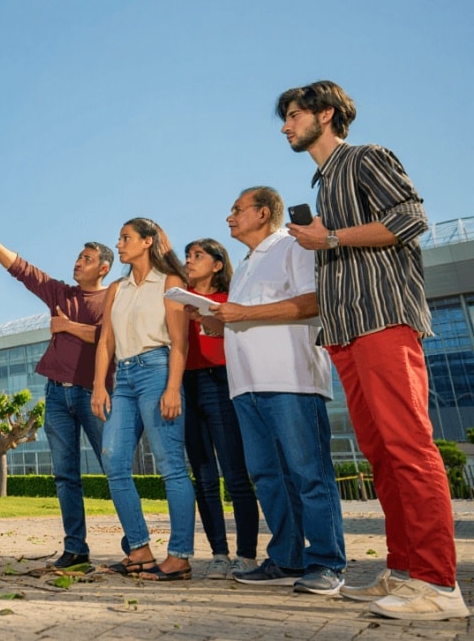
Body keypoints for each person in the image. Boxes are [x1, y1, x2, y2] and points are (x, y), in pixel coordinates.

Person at [279, 80, 468, 620]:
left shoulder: (366, 157)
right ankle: (405, 571)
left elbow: (410, 219)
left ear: (326, 114)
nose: (286, 126)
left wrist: (330, 238)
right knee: (381, 454)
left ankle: (439, 584)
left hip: (383, 318)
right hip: (345, 329)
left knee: (408, 446)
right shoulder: (324, 184)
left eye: (294, 115)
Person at [206, 186, 346, 596]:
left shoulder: (293, 245)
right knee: (267, 477)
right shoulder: (246, 264)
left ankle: (327, 563)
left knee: (309, 474)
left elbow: (314, 301)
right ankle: (287, 559)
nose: (230, 216)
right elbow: (247, 318)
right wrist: (220, 323)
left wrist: (243, 313)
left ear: (264, 213)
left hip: (290, 379)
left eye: (238, 209)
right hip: (245, 385)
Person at [0, 216, 113, 569]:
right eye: (78, 257)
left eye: (87, 259)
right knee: (65, 475)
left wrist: (67, 326)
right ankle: (75, 549)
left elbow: (112, 338)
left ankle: (136, 547)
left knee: (114, 468)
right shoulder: (61, 293)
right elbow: (22, 269)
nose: (78, 262)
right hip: (57, 395)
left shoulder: (113, 298)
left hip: (95, 394)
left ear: (104, 268)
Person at [91, 217, 195, 581]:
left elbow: (180, 342)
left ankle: (179, 557)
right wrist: (99, 385)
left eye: (126, 238)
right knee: (113, 460)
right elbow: (106, 341)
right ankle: (139, 550)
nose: (119, 244)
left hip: (158, 370)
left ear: (147, 241)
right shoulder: (116, 288)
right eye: (119, 238)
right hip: (123, 378)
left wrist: (172, 387)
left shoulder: (170, 282)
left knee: (171, 465)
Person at [180, 238, 259, 580]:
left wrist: (208, 320)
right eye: (187, 255)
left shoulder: (230, 298)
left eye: (198, 255)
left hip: (220, 381)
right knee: (204, 477)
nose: (189, 260)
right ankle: (218, 554)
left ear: (216, 264)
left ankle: (246, 554)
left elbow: (245, 336)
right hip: (186, 384)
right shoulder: (178, 298)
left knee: (235, 473)